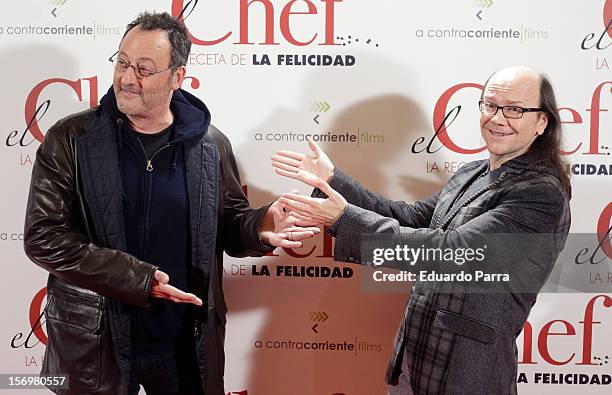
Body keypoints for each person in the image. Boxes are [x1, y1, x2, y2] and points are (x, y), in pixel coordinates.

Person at [24, 11, 318, 395]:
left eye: (144, 69)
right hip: (96, 343)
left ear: (177, 77)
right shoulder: (71, 138)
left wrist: (259, 224)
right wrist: (138, 279)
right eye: (122, 63)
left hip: (184, 342)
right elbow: (43, 237)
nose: (127, 79)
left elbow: (227, 222)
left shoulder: (211, 145)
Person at [272, 66, 571, 394]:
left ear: (542, 122)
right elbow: (409, 217)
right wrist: (332, 180)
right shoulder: (472, 172)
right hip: (414, 360)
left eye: (514, 109)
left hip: (466, 373)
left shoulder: (541, 194)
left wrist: (344, 218)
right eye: (490, 105)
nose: (498, 118)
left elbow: (455, 252)